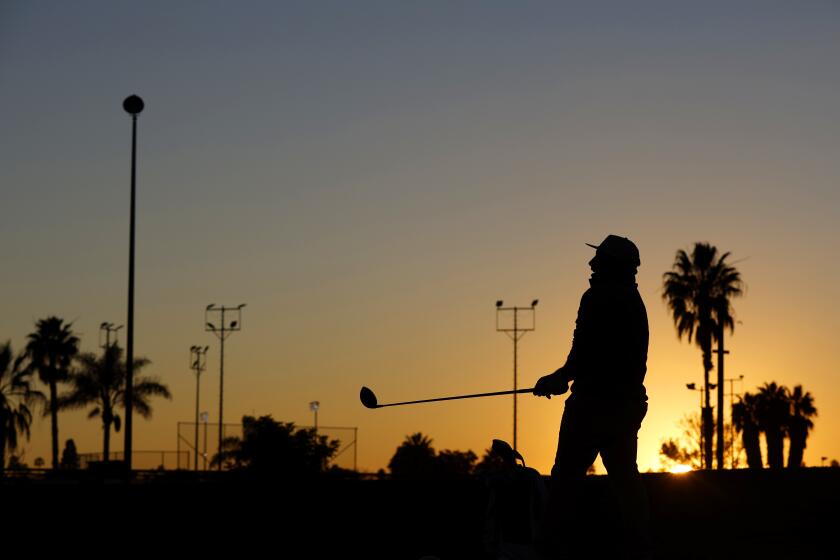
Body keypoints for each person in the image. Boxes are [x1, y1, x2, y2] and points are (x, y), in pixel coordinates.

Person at [533, 235, 651, 560]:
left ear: (611, 265)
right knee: (626, 480)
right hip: (626, 406)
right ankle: (641, 550)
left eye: (598, 259)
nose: (591, 264)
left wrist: (559, 378)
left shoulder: (597, 296)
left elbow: (583, 352)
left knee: (565, 482)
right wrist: (564, 377)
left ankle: (550, 550)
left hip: (592, 406)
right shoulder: (634, 302)